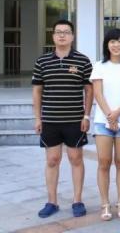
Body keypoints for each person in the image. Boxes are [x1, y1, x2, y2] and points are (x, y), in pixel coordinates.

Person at [32, 19, 93, 218]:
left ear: (72, 36)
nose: (62, 35)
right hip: (50, 120)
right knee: (52, 160)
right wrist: (37, 118)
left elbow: (89, 90)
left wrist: (86, 115)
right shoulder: (42, 62)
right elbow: (37, 91)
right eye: (58, 32)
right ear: (53, 36)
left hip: (75, 119)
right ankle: (52, 202)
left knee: (76, 159)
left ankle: (77, 200)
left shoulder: (83, 61)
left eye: (66, 32)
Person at [90, 28, 120, 221]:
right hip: (103, 122)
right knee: (104, 162)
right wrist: (110, 116)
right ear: (107, 45)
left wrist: (118, 114)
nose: (116, 45)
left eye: (119, 41)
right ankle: (105, 204)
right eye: (112, 41)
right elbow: (97, 93)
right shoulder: (99, 66)